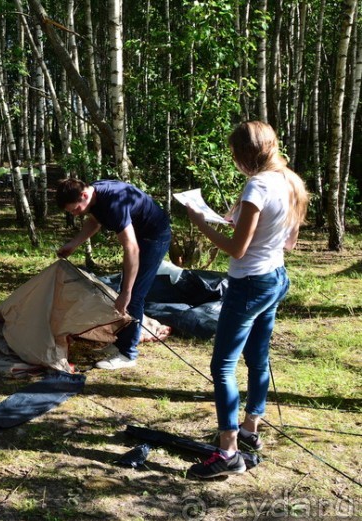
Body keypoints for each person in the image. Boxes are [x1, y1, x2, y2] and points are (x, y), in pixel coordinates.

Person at [186, 121, 308, 479]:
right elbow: (288, 242)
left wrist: (200, 222)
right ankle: (250, 430)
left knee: (223, 365)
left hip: (249, 284)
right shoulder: (290, 180)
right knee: (258, 358)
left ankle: (227, 453)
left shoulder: (257, 184)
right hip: (275, 277)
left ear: (243, 155)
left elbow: (238, 249)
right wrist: (236, 220)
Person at [56, 178, 171, 369]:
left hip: (154, 238)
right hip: (139, 237)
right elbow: (95, 221)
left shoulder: (113, 203)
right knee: (126, 292)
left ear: (84, 195)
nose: (75, 214)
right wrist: (73, 244)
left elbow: (131, 248)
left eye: (75, 209)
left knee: (133, 295)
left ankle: (127, 354)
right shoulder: (93, 195)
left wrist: (126, 292)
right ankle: (120, 344)